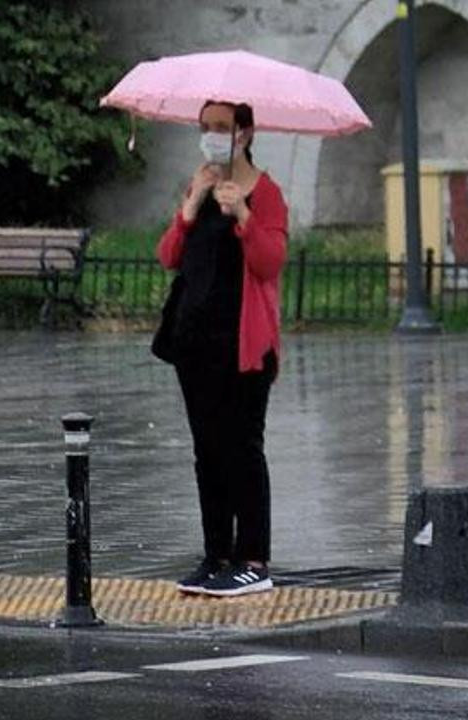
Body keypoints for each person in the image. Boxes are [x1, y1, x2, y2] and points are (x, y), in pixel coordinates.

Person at [157, 101, 288, 597]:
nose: (211, 136)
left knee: (242, 447)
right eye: (205, 127)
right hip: (194, 341)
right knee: (206, 451)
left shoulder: (266, 193)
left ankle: (253, 558)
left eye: (221, 128)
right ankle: (216, 554)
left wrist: (244, 214)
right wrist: (190, 209)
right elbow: (169, 255)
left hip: (243, 345)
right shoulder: (200, 185)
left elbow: (270, 261)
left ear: (245, 132)